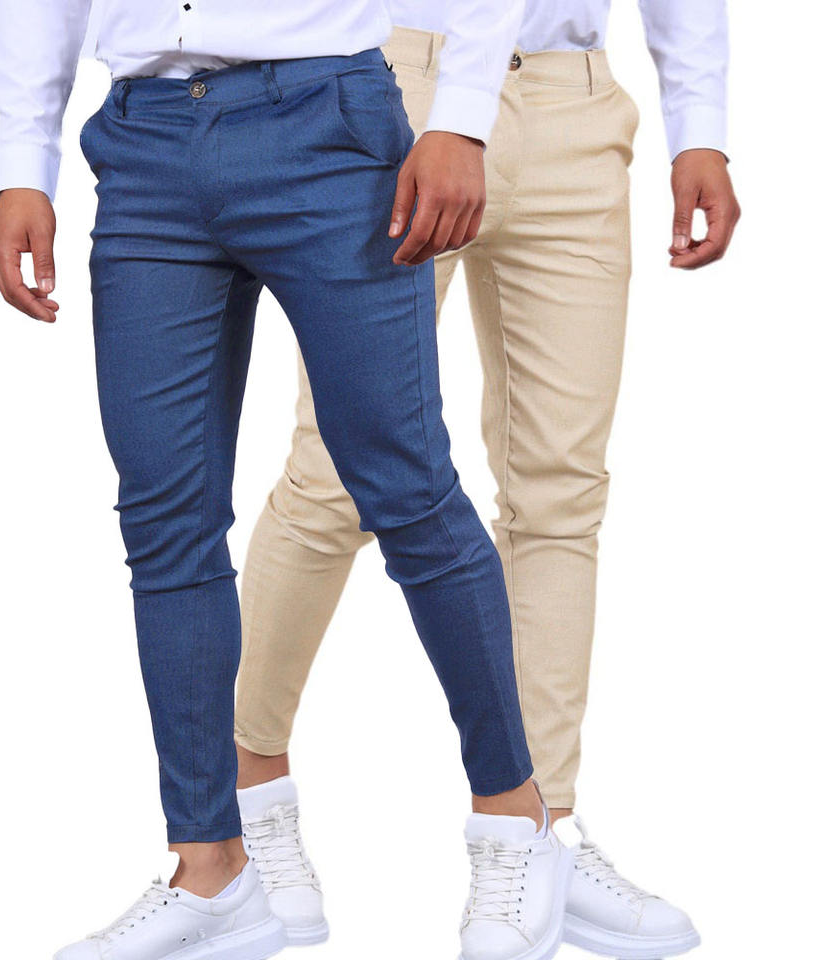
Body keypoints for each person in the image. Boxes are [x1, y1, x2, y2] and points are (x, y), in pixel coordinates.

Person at [0, 3, 576, 960]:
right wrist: (23, 163)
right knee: (164, 523)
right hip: (144, 144)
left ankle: (518, 821)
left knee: (406, 489)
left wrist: (463, 116)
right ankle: (213, 872)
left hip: (327, 124)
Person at [233, 2, 740, 958]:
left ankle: (536, 834)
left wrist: (699, 125)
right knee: (337, 474)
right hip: (398, 90)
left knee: (560, 492)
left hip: (572, 106)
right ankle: (239, 811)